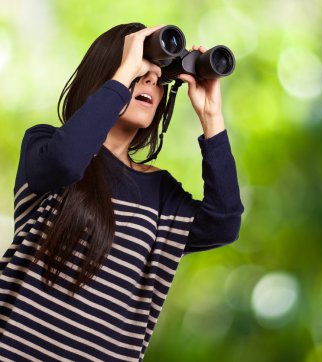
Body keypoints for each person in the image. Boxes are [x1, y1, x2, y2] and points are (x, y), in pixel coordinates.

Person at [0, 23, 244, 361]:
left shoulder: (160, 192)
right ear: (107, 75)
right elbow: (68, 162)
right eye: (141, 70)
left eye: (159, 78)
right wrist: (125, 71)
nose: (150, 81)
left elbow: (223, 223)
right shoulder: (45, 145)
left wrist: (211, 116)